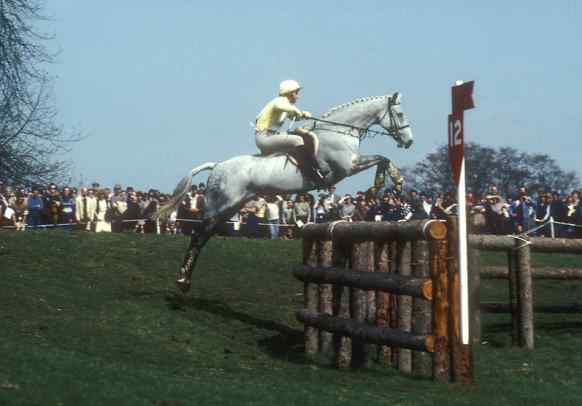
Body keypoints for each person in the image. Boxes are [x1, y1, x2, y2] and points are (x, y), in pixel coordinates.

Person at [255, 80, 325, 185]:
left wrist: (303, 114)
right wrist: (299, 112)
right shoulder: (279, 101)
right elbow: (286, 108)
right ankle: (312, 171)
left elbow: (294, 117)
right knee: (297, 140)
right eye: (296, 93)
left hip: (270, 136)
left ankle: (309, 169)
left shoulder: (286, 105)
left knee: (298, 138)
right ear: (290, 93)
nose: (298, 96)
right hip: (264, 138)